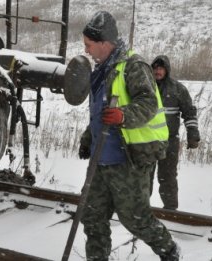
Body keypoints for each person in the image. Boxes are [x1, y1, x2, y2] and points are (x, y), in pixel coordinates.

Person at [78, 11, 179, 261]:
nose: (87, 50)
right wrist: (88, 138)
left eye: (89, 45)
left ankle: (171, 252)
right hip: (100, 158)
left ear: (104, 43)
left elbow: (148, 104)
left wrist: (123, 115)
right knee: (92, 217)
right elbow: (99, 112)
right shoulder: (101, 69)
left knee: (136, 220)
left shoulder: (134, 66)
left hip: (129, 160)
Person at [150, 55, 200, 210]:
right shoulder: (145, 86)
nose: (158, 71)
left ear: (167, 70)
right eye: (155, 68)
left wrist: (193, 134)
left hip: (169, 142)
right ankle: (141, 211)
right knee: (143, 178)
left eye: (161, 68)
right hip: (146, 141)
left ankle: (171, 212)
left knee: (168, 178)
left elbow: (189, 113)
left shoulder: (178, 89)